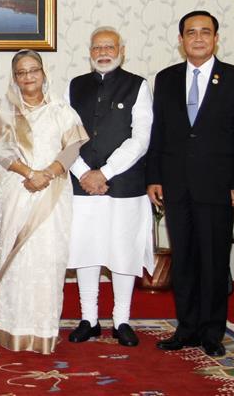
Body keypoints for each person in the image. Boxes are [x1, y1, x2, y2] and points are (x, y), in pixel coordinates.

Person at [147, 10, 234, 358]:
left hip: (217, 186)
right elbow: (158, 132)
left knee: (212, 260)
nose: (197, 38)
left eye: (205, 32)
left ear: (216, 38)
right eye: (190, 32)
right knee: (185, 260)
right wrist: (154, 177)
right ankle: (187, 328)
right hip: (176, 186)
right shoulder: (166, 79)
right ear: (180, 41)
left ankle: (212, 332)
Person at [0, 49, 88, 355]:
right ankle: (14, 329)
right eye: (22, 72)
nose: (28, 76)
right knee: (17, 260)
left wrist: (47, 174)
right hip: (16, 190)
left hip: (53, 193)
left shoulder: (61, 110)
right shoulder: (4, 110)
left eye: (34, 70)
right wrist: (29, 173)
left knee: (48, 259)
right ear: (14, 77)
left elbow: (72, 149)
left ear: (43, 73)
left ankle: (44, 331)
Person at [65, 27, 155, 348]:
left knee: (122, 250)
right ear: (90, 52)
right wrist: (84, 172)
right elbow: (65, 135)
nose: (103, 52)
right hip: (82, 184)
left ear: (122, 50)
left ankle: (121, 320)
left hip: (124, 185)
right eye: (97, 47)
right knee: (86, 249)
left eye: (109, 46)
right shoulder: (75, 86)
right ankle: (89, 318)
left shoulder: (137, 86)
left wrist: (105, 172)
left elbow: (141, 138)